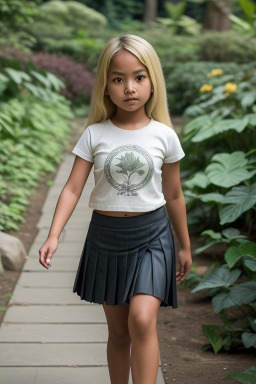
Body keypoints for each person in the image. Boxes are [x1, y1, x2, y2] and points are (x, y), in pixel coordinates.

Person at [39, 34, 192, 384]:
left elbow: (174, 194)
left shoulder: (164, 136)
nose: (129, 88)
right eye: (118, 79)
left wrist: (184, 245)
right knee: (120, 332)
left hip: (152, 237)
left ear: (153, 81)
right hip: (106, 239)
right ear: (105, 86)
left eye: (139, 77)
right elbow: (73, 187)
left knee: (141, 319)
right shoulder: (95, 135)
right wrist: (53, 234)